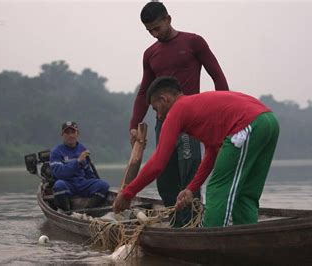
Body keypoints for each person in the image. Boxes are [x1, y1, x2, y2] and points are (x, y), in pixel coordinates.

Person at [114, 77, 279, 227]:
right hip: (269, 122)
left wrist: (128, 193)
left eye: (156, 109)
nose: (158, 115)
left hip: (248, 124)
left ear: (164, 99)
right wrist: (191, 189)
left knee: (217, 189)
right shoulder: (196, 107)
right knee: (245, 194)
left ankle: (210, 241)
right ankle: (248, 238)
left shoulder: (177, 110)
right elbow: (212, 153)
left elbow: (158, 162)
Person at [129, 1, 230, 226]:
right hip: (163, 122)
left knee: (190, 170)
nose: (155, 34)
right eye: (149, 31)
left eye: (157, 28)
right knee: (164, 176)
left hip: (191, 122)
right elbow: (144, 91)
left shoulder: (193, 42)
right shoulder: (150, 54)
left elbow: (217, 76)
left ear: (168, 19)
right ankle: (176, 223)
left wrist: (223, 118)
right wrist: (134, 123)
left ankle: (194, 222)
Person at [50, 121, 109, 212]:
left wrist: (95, 181)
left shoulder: (82, 149)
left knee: (103, 185)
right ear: (62, 134)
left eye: (73, 132)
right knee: (59, 185)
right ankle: (67, 212)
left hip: (82, 183)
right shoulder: (56, 152)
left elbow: (88, 171)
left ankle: (88, 211)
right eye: (67, 133)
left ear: (77, 133)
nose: (70, 135)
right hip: (67, 184)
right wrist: (78, 162)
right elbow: (59, 173)